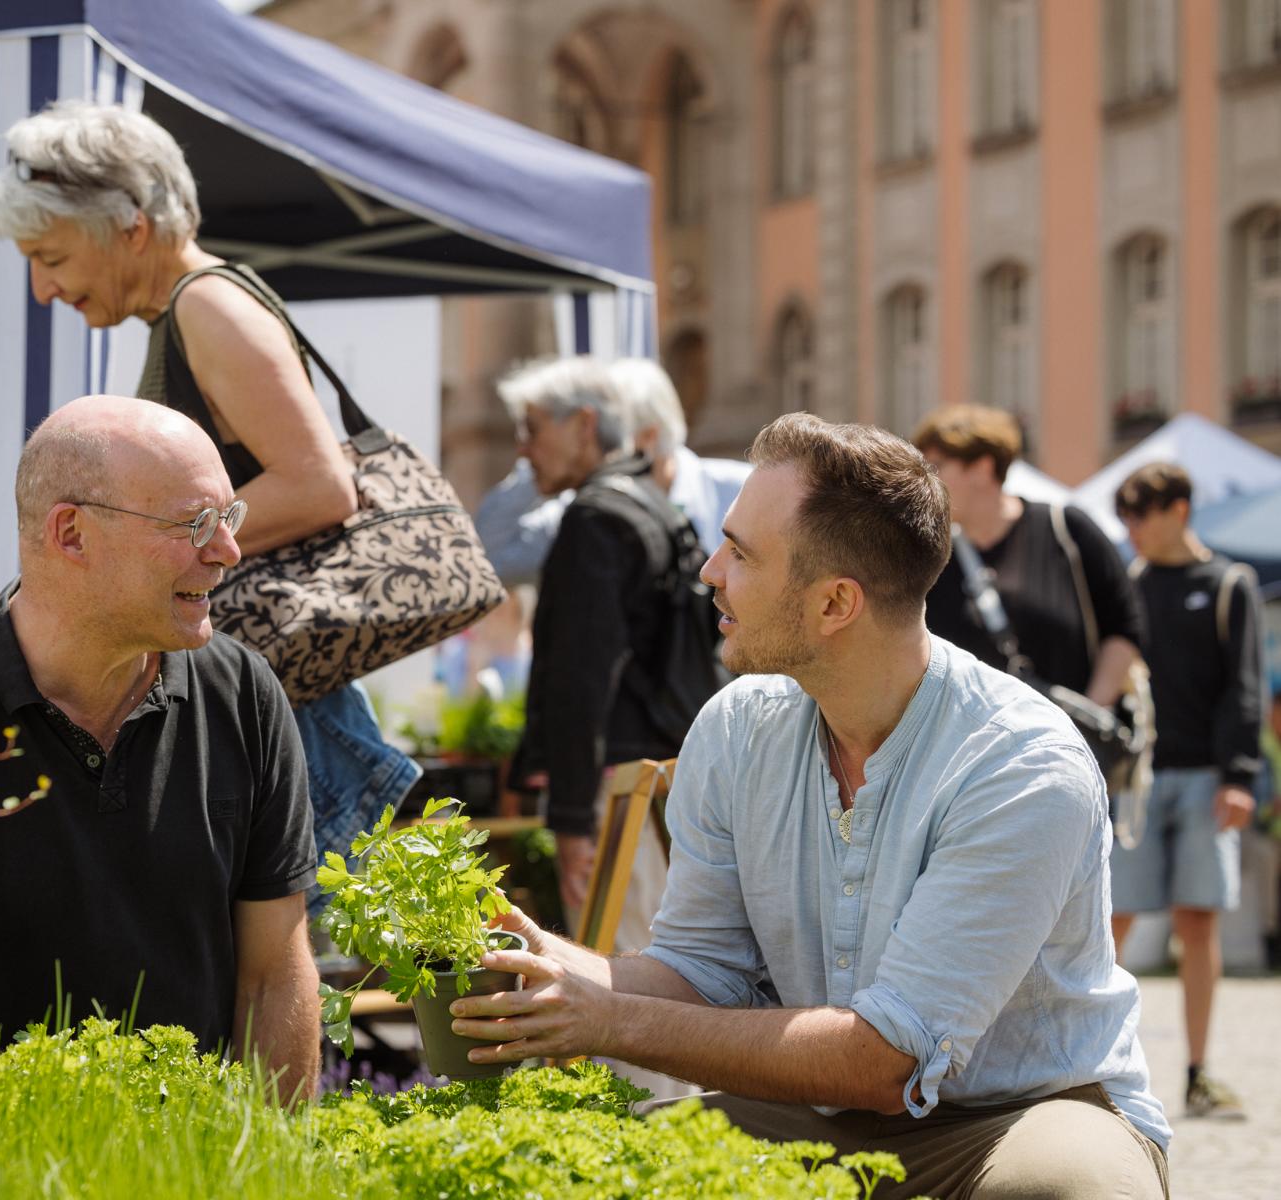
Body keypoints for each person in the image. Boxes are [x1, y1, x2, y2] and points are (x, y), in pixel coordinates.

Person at [448, 414, 1170, 1198]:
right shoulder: (736, 727)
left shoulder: (1021, 764)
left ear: (833, 605)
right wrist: (553, 963)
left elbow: (885, 1061)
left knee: (1065, 1191)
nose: (709, 571)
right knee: (577, 1168)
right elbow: (701, 972)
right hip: (815, 1115)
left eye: (741, 554)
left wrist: (607, 1018)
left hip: (1020, 1118)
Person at [0, 397, 321, 1101]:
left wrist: (276, 1163)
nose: (227, 550)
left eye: (227, 518)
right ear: (72, 534)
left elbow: (275, 977)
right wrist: (90, 1118)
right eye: (192, 523)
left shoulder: (241, 693)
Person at [0, 100, 417, 886]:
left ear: (129, 225)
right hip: (279, 687)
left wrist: (156, 534)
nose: (43, 289)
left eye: (51, 256)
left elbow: (320, 486)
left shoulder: (207, 305)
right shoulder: (188, 311)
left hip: (290, 699)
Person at [500, 357, 719, 921]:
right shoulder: (649, 501)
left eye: (533, 428)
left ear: (583, 425)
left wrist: (572, 821)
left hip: (615, 796)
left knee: (620, 981)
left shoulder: (596, 517)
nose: (523, 449)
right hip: (661, 780)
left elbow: (580, 676)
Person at [1110, 462, 1261, 1119]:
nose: (1131, 529)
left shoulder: (1228, 584)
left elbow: (1244, 688)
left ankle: (1197, 1072)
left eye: (1140, 514)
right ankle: (1093, 1065)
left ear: (1178, 509)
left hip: (1205, 777)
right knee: (1107, 922)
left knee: (1196, 923)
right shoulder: (1128, 584)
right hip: (1137, 778)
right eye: (1125, 517)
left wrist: (1238, 777)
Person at [914, 405, 1145, 713]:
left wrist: (1089, 715)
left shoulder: (1066, 529)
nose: (926, 482)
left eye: (937, 466)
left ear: (983, 468)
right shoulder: (929, 552)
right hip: (971, 752)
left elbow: (1125, 627)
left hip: (1068, 745)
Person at [472, 358, 748, 589]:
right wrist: (540, 467)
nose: (598, 450)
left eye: (612, 437)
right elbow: (490, 559)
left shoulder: (744, 491)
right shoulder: (581, 512)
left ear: (649, 437)